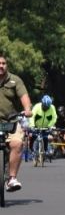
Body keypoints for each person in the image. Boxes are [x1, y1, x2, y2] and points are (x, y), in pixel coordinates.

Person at [0, 53, 33, 192]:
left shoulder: (15, 80)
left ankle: (11, 179)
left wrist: (27, 109)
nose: (1, 66)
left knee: (17, 143)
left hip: (11, 120)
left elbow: (24, 97)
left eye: (3, 63)